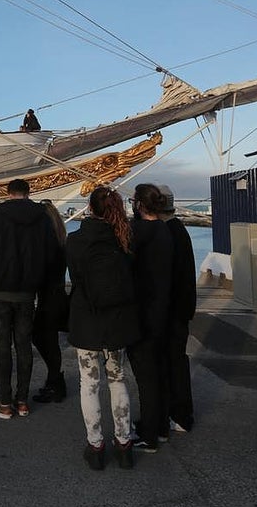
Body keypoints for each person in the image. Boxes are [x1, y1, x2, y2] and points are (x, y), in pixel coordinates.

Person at [66, 186, 140, 470]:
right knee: (118, 380)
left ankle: (96, 446)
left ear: (90, 208)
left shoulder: (75, 241)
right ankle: (124, 444)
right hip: (117, 320)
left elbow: (75, 277)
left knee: (89, 384)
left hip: (87, 317)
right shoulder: (125, 239)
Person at [0, 178, 60, 419]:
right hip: (27, 290)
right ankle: (22, 400)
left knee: (2, 346)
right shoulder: (42, 217)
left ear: (9, 193)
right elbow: (50, 252)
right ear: (28, 192)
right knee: (24, 345)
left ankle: (4, 401)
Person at [127, 184, 174, 452]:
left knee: (145, 375)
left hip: (142, 311)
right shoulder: (164, 230)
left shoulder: (138, 232)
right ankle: (160, 424)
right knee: (158, 370)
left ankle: (149, 434)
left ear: (140, 205)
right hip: (161, 308)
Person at [158, 183, 197, 435]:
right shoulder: (177, 229)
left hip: (171, 310)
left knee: (172, 362)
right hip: (179, 307)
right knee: (175, 360)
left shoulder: (168, 233)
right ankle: (177, 412)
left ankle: (179, 414)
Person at [31, 200, 69, 403]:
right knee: (48, 339)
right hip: (57, 294)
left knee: (42, 337)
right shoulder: (60, 240)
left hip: (49, 297)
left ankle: (55, 381)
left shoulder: (47, 244)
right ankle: (55, 380)